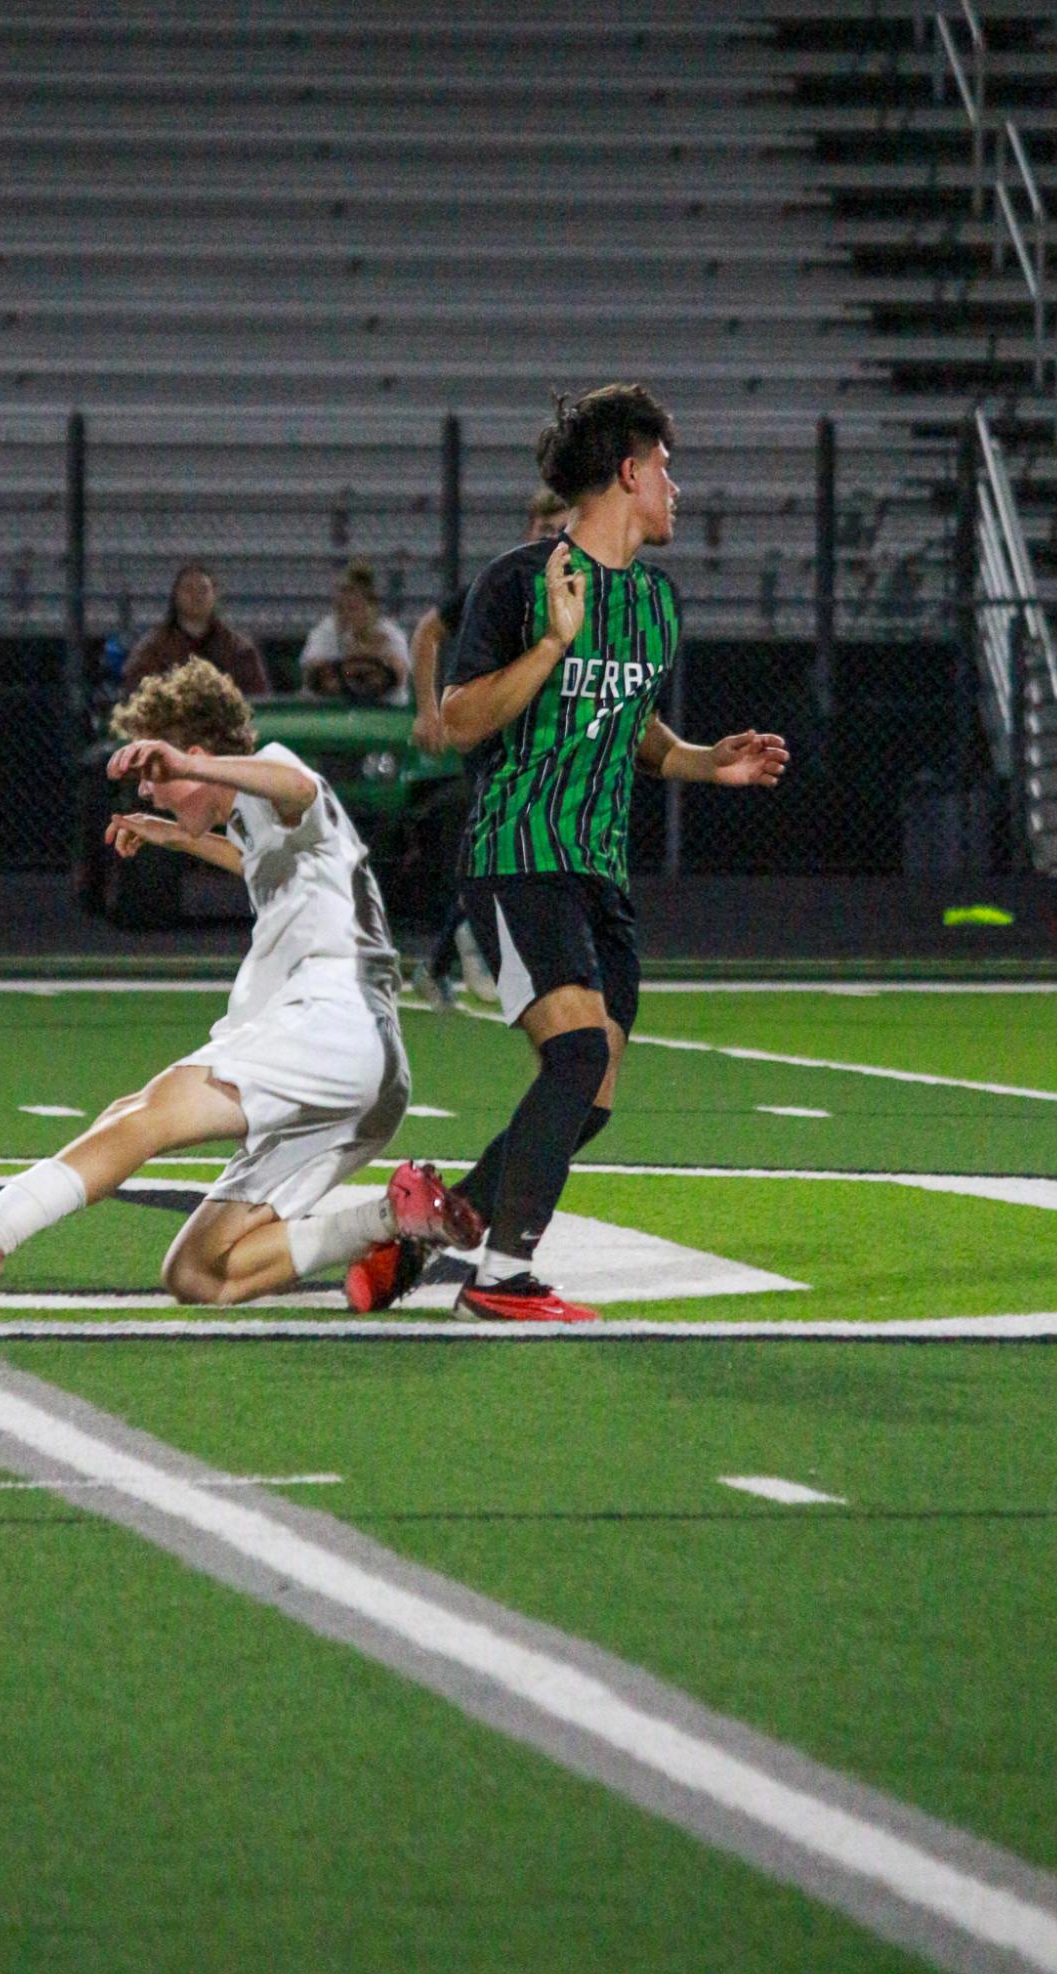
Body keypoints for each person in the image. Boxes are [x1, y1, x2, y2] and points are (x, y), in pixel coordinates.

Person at [345, 382, 789, 1323]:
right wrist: (552, 642)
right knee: (578, 1051)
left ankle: (424, 1229)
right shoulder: (519, 581)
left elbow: (631, 724)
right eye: (666, 468)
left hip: (599, 876)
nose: (677, 487)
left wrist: (707, 763)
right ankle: (502, 1275)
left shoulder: (657, 603)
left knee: (587, 1095)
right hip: (517, 856)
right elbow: (462, 719)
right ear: (627, 473)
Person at [0, 658, 480, 1303]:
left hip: (333, 1024)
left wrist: (188, 768)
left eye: (155, 776)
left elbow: (297, 787)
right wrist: (176, 836)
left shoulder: (276, 775)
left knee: (143, 1112)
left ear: (197, 755)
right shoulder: (260, 823)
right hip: (368, 1078)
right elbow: (263, 862)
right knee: (198, 1276)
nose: (149, 791)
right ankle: (397, 1217)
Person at [410, 485, 570, 1009]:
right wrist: (429, 709)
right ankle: (472, 944)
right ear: (528, 529)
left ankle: (445, 956)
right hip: (493, 730)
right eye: (541, 526)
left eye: (558, 526)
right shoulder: (502, 580)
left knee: (513, 850)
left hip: (543, 737)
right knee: (505, 845)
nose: (549, 536)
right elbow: (427, 632)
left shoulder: (578, 586)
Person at [120, 561, 269, 698]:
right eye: (188, 589)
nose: (196, 596)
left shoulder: (238, 649)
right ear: (175, 596)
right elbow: (136, 695)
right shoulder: (153, 648)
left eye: (203, 589)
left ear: (214, 596)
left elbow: (257, 699)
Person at [300, 559, 410, 705]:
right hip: (330, 710)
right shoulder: (325, 631)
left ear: (371, 606)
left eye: (354, 607)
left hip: (385, 708)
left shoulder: (391, 634)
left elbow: (397, 675)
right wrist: (360, 659)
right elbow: (313, 675)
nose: (348, 613)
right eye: (342, 606)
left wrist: (347, 669)